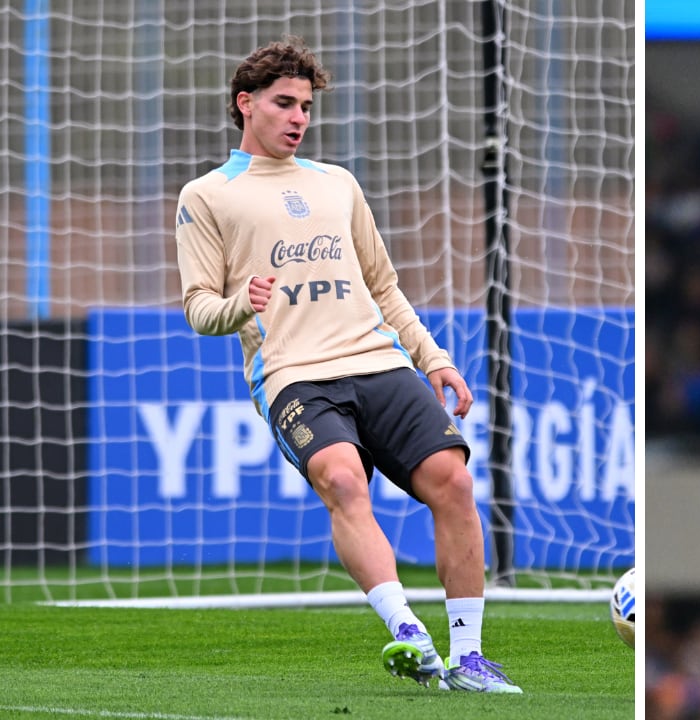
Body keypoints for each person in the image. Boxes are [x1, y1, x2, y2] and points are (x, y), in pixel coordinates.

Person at [174, 36, 521, 694]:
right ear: (246, 104)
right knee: (342, 479)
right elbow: (197, 307)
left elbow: (383, 286)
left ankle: (470, 658)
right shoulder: (207, 195)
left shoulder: (337, 184)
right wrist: (240, 305)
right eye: (284, 103)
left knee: (453, 482)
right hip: (293, 375)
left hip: (377, 361)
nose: (298, 117)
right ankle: (408, 632)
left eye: (306, 106)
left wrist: (434, 359)